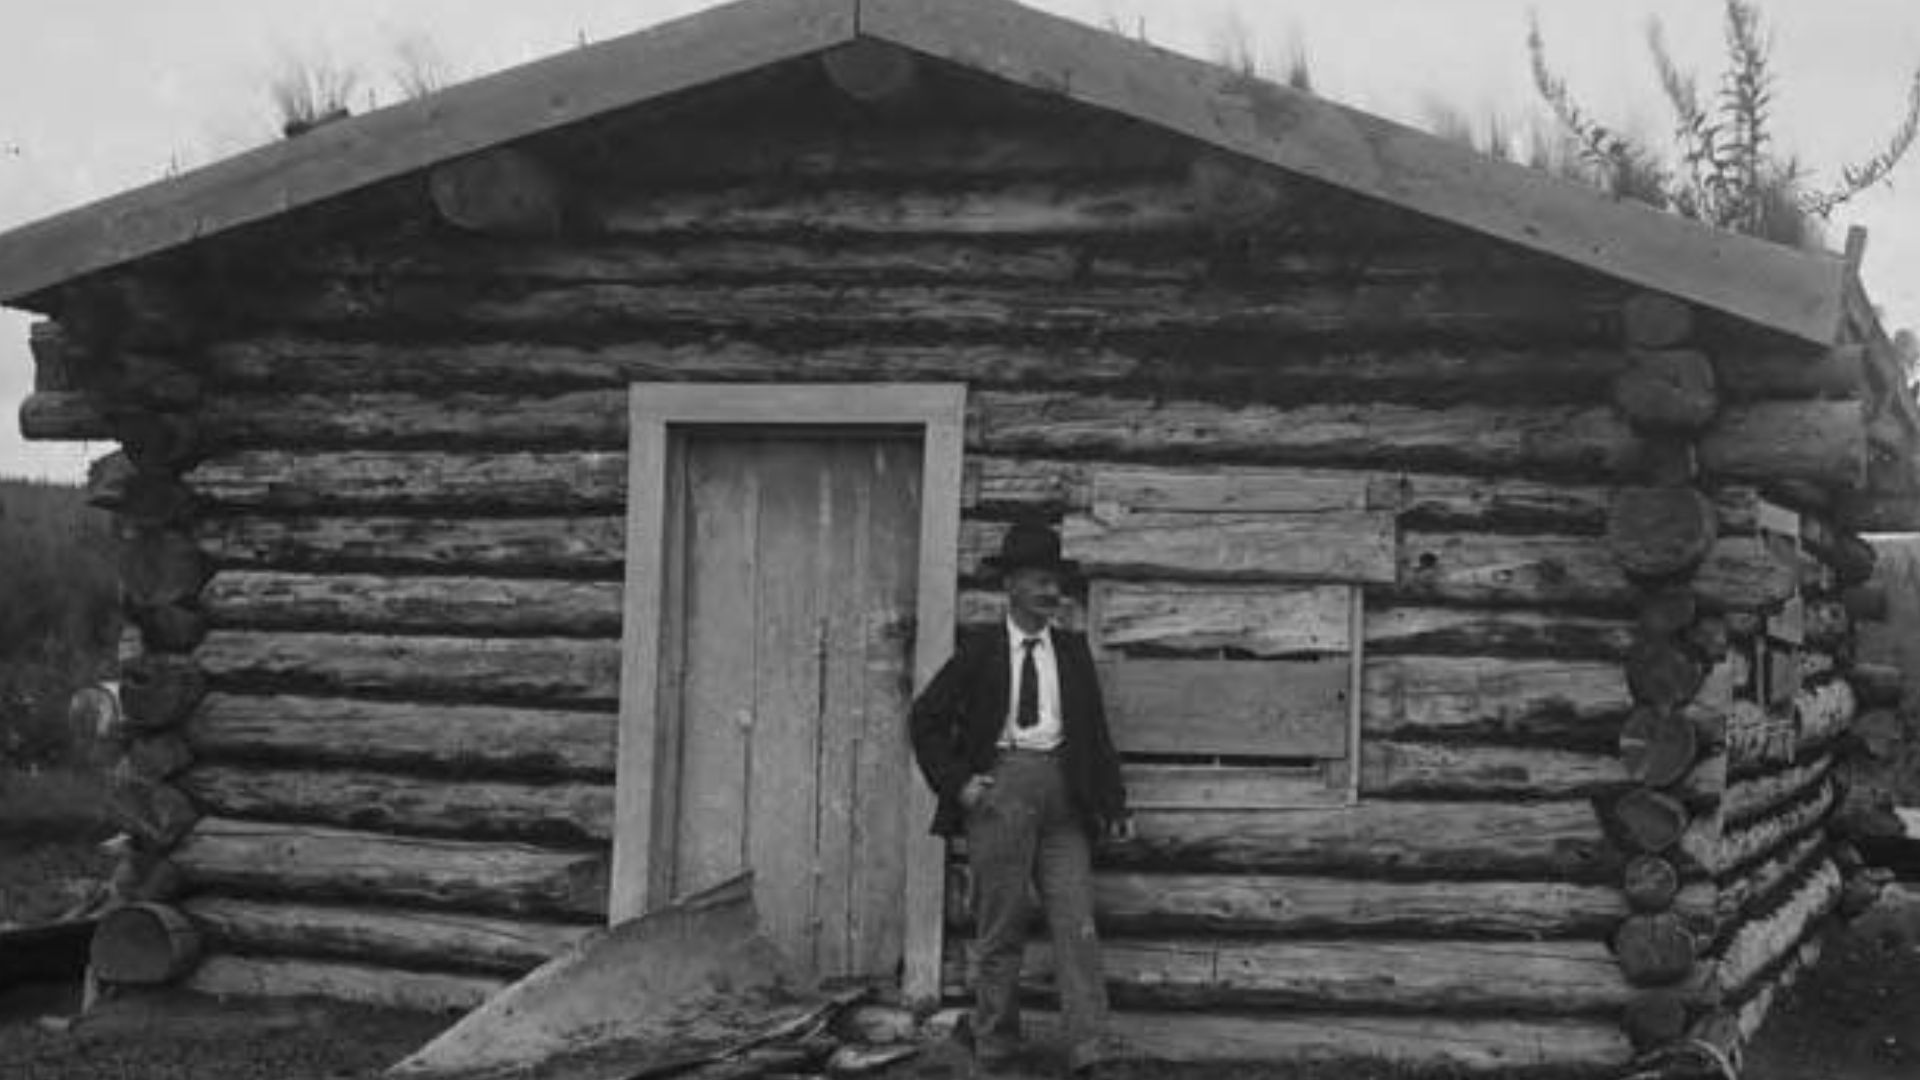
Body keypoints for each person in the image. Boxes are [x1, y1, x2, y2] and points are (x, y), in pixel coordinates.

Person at [908, 519, 1132, 1078]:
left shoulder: (1073, 652)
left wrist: (1114, 803)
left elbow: (1097, 735)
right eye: (1037, 579)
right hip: (1000, 794)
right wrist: (960, 782)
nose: (1049, 591)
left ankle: (1090, 1050)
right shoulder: (980, 651)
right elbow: (926, 719)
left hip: (1065, 798)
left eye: (1054, 581)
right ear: (1010, 586)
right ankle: (997, 1049)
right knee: (1000, 928)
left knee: (1075, 924)